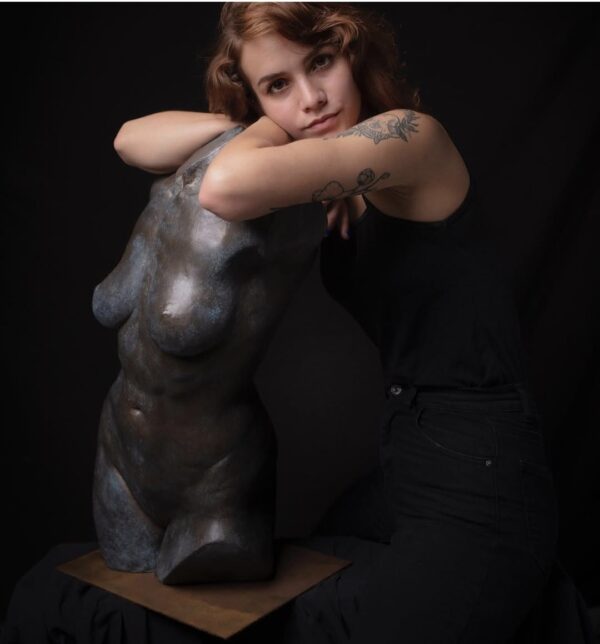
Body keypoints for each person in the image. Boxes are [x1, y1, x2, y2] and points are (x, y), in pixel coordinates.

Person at [113, 3, 560, 643]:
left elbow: (225, 186)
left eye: (320, 63)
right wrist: (255, 121)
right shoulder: (338, 175)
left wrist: (266, 120)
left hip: (483, 465)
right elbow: (129, 140)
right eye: (278, 84)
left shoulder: (411, 140)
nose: (312, 99)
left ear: (352, 53)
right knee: (299, 578)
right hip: (410, 452)